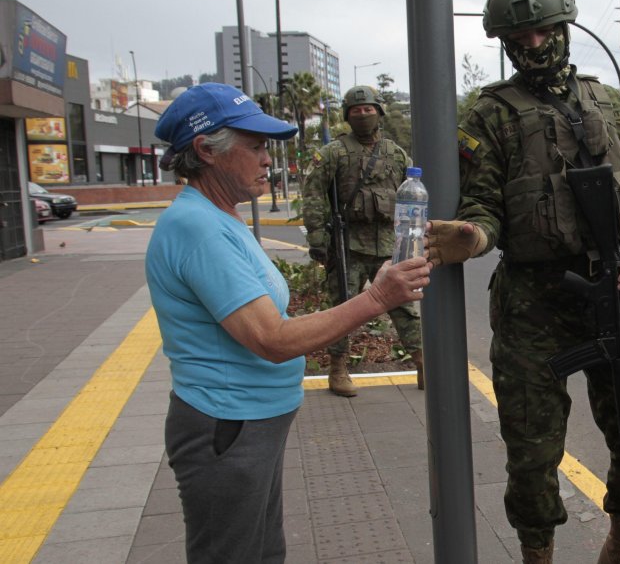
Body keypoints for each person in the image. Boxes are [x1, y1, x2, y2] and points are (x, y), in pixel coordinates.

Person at [425, 0, 620, 564]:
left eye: (543, 31)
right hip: (532, 306)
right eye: (520, 37)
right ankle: (536, 554)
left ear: (563, 27)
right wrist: (475, 234)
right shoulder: (489, 115)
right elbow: (482, 204)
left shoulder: (612, 103)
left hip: (614, 292)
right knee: (534, 451)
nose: (534, 45)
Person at [146, 83, 430, 563]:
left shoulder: (219, 217)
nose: (267, 160)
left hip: (245, 424)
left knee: (261, 551)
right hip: (228, 425)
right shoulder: (197, 228)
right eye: (255, 147)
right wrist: (377, 297)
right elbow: (272, 339)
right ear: (205, 150)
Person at [302, 85, 423, 395]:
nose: (363, 115)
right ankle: (337, 370)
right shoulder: (334, 153)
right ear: (347, 116)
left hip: (388, 246)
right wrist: (317, 238)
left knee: (406, 307)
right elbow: (314, 192)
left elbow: (410, 192)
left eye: (369, 109)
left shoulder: (395, 153)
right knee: (342, 309)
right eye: (356, 111)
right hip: (349, 247)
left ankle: (424, 364)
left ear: (379, 113)